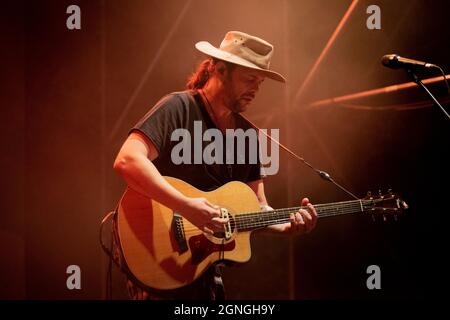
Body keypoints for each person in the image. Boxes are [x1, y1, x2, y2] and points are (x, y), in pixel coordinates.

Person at [113, 31, 318, 300]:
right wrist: (185, 206)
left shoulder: (247, 137)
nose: (256, 89)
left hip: (203, 271)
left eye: (260, 82)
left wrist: (286, 226)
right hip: (157, 256)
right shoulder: (178, 107)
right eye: (249, 79)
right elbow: (127, 160)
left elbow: (258, 207)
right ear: (219, 69)